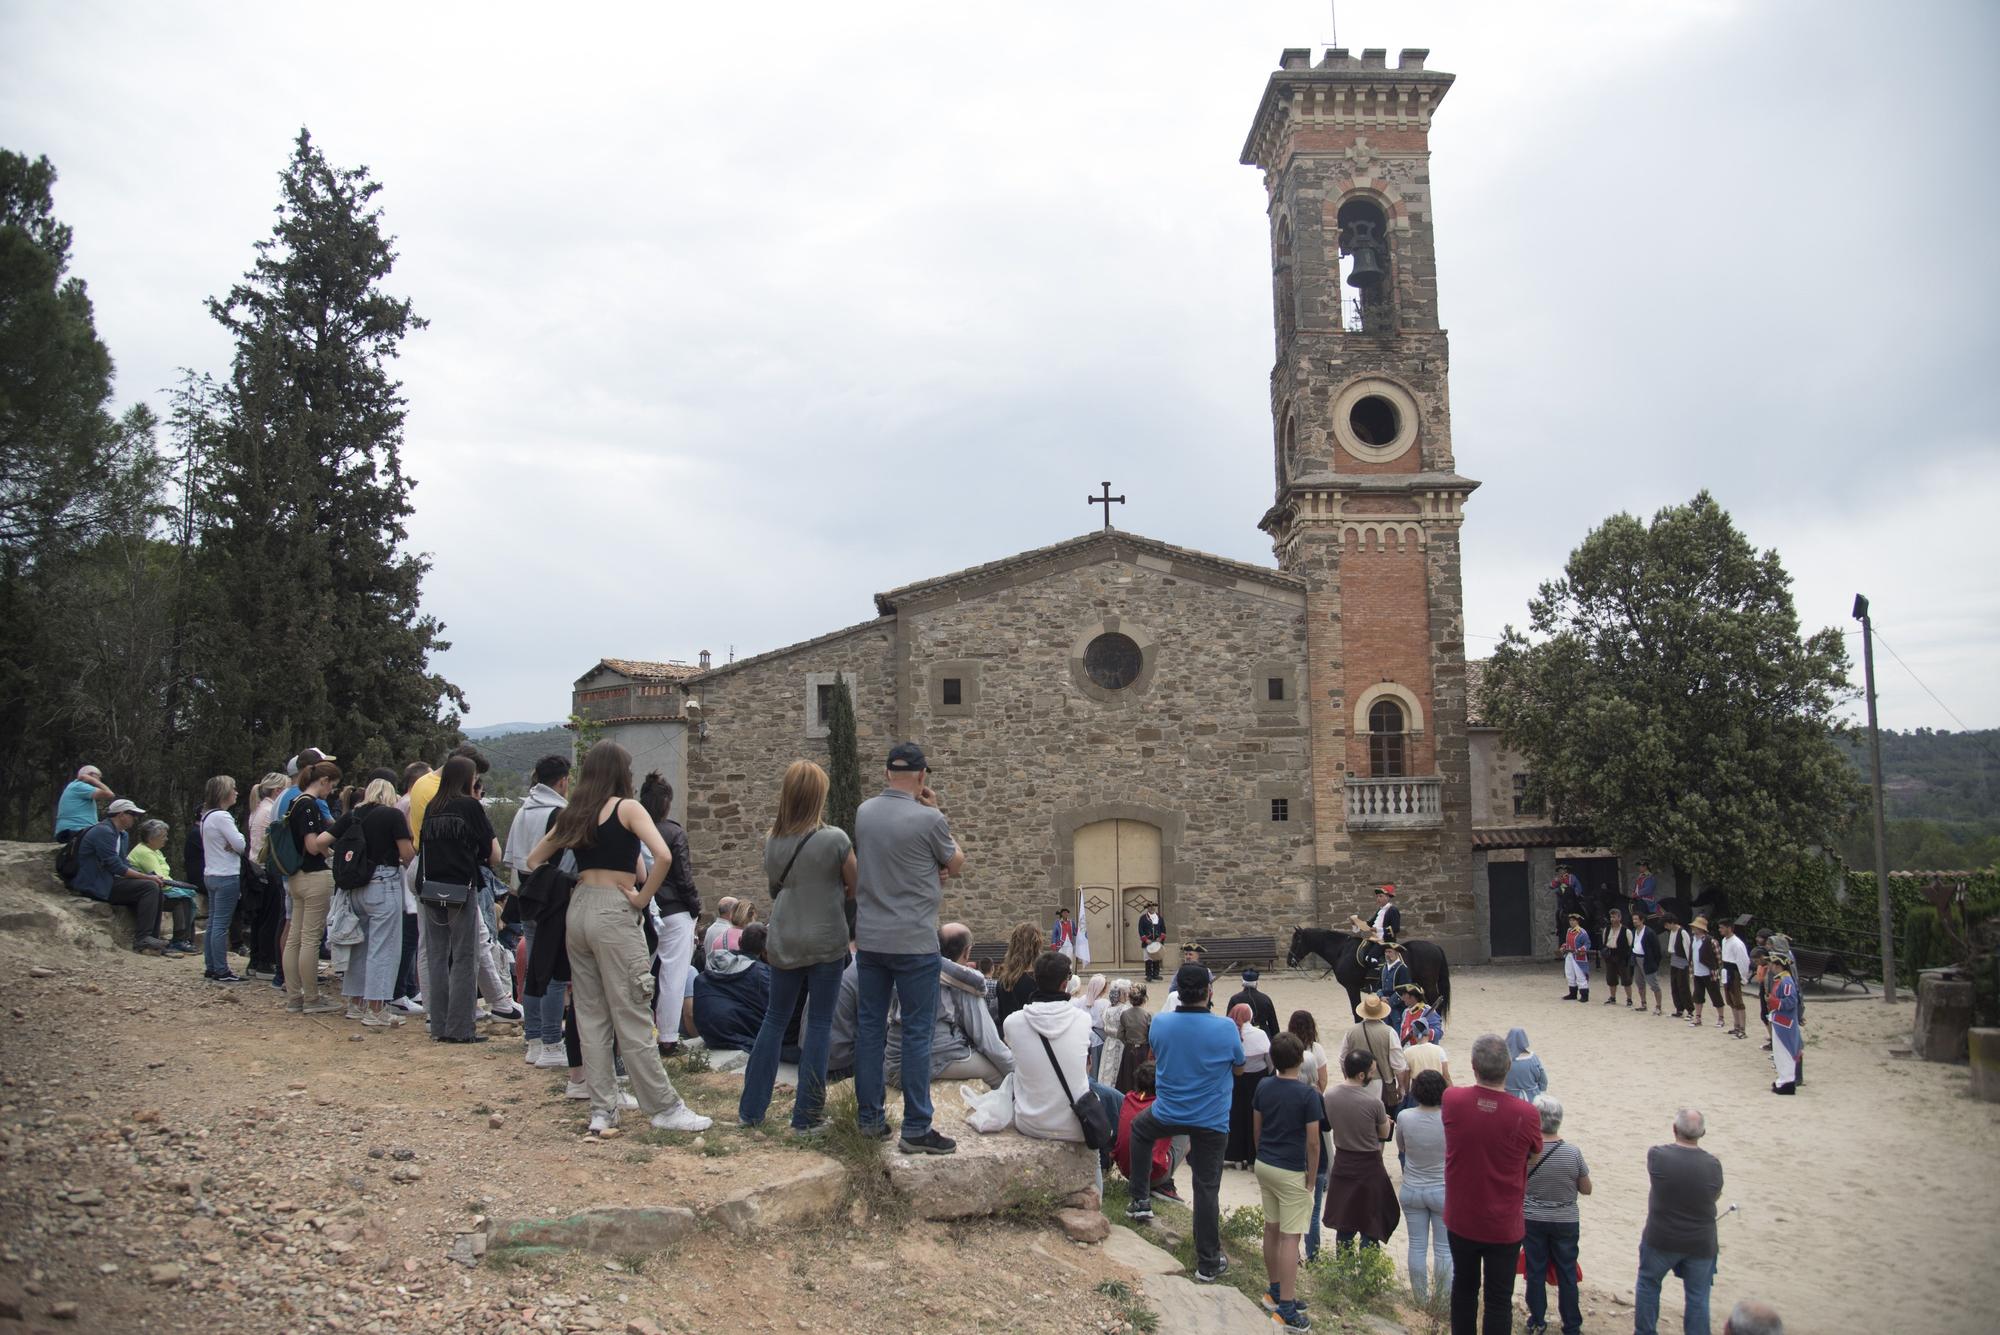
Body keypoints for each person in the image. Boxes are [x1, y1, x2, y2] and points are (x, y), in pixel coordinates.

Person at [527, 740, 712, 1135]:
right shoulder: (627, 808)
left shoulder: (574, 812)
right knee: (632, 1012)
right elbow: (662, 855)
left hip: (578, 911)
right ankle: (664, 1107)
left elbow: (533, 859)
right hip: (615, 909)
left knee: (590, 1015)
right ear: (619, 772)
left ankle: (602, 1110)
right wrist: (643, 899)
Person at [853, 742, 964, 1155]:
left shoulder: (863, 814)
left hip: (871, 939)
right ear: (921, 778)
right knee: (918, 1032)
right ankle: (916, 1127)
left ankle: (869, 1119)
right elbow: (956, 863)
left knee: (870, 1028)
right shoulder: (930, 818)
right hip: (915, 941)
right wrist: (935, 815)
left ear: (886, 774)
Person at [740, 759, 856, 1131]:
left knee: (774, 1020)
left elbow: (775, 883)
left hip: (785, 937)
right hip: (826, 938)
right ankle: (806, 1116)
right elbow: (857, 885)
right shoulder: (836, 839)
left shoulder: (773, 840)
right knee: (820, 1024)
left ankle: (751, 1111)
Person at [1124, 962, 1242, 1286]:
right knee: (1206, 1187)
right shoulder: (1227, 1028)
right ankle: (1207, 1262)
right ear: (1210, 992)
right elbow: (1240, 1068)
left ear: (1177, 992)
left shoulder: (1160, 1023)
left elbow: (1156, 1056)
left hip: (1170, 1112)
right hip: (1212, 1119)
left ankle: (1140, 1200)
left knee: (1140, 1129)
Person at [1442, 1033, 1543, 1335]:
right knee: (1499, 1298)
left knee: (1464, 1288)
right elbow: (1535, 1155)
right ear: (1508, 1067)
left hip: (1462, 1216)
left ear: (1473, 1065)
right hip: (1503, 1221)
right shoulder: (1526, 1114)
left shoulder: (1453, 1100)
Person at [416, 757, 500, 1041]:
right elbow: (492, 851)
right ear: (468, 778)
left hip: (430, 889)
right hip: (460, 889)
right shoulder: (469, 805)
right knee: (465, 958)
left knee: (437, 957)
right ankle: (461, 1028)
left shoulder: (432, 806)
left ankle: (438, 1025)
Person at [331, 778, 415, 1027]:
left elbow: (324, 841)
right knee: (384, 947)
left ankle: (355, 1003)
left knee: (359, 945)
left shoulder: (353, 815)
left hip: (355, 886)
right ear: (390, 795)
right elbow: (407, 854)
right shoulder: (393, 816)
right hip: (383, 882)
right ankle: (377, 1008)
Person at [1254, 1031, 1323, 1331]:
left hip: (1265, 1162)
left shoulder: (1264, 1085)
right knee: (1291, 1237)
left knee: (1272, 1226)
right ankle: (1286, 1309)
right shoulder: (1308, 1095)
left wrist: (1261, 1153)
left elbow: (1257, 1126)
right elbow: (1313, 1142)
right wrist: (1312, 1174)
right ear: (1300, 1059)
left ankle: (1276, 1290)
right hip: (1291, 1168)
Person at [1634, 1108, 1724, 1335]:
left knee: (1648, 1283)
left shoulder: (1658, 1155)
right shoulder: (1712, 1165)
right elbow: (1714, 1195)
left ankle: (1644, 1332)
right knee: (1698, 1297)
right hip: (1700, 1241)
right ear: (1702, 1133)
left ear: (1674, 1129)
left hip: (1661, 1237)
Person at [506, 755, 571, 1067]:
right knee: (554, 973)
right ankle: (550, 1041)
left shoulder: (523, 810)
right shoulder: (559, 812)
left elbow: (513, 858)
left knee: (533, 968)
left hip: (526, 894)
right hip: (551, 897)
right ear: (561, 780)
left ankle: (532, 1037)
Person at [637, 771, 702, 1059]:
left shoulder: (632, 830)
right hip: (674, 912)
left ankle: (635, 1035)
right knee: (673, 977)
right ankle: (667, 1038)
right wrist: (696, 907)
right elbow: (684, 878)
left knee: (637, 975)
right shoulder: (673, 832)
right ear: (665, 803)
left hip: (642, 910)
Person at [1003, 950, 1099, 1142]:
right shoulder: (1083, 1020)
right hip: (1073, 1125)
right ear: (1065, 984)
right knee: (1109, 1097)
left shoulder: (1012, 1023)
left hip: (1030, 1122)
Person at [909, 923, 1014, 1086]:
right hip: (933, 1056)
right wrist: (1017, 1072)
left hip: (899, 1055)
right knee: (1001, 1078)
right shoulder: (966, 984)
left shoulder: (913, 971)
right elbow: (988, 1043)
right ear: (967, 952)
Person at [1520, 1094, 1591, 1335]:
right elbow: (1586, 1188)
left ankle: (1537, 1320)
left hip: (1532, 1217)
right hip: (1565, 1218)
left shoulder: (1528, 1153)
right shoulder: (1572, 1152)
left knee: (1535, 1271)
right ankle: (1572, 1325)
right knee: (1567, 1272)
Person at [1322, 1046, 1399, 1255]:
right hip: (1368, 1164)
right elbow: (1384, 1133)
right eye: (1372, 1071)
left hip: (1343, 1160)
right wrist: (1386, 1122)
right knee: (1370, 1224)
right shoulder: (1373, 1103)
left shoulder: (1330, 1096)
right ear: (1361, 1074)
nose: (1373, 1075)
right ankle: (1366, 1275)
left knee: (1344, 1223)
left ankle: (1343, 1274)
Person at [71, 798, 171, 954]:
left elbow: (124, 862)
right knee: (150, 887)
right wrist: (146, 878)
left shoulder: (121, 835)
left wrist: (148, 876)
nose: (135, 818)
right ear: (121, 814)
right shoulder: (103, 831)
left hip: (111, 881)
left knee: (154, 886)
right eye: (133, 814)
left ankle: (152, 938)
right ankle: (143, 938)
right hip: (97, 883)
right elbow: (115, 866)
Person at [283, 761, 343, 1013]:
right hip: (314, 875)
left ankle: (295, 995)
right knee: (310, 939)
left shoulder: (294, 802)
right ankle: (311, 998)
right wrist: (331, 847)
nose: (331, 791)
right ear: (324, 781)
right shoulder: (309, 805)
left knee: (294, 939)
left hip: (295, 876)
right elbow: (312, 844)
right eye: (333, 786)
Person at [1397, 1069, 1452, 1303]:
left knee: (1417, 1246)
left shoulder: (1405, 1117)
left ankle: (1420, 1299)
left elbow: (1401, 1148)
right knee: (1443, 1250)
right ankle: (1442, 1300)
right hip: (1441, 1188)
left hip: (1412, 1186)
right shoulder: (1449, 1119)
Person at [196, 776, 249, 981]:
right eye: (233, 789)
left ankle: (211, 965)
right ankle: (221, 969)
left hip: (211, 873)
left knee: (213, 923)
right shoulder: (223, 817)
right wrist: (238, 840)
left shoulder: (207, 816)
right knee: (220, 924)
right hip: (227, 874)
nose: (236, 792)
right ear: (224, 792)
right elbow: (240, 845)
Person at [693, 925, 773, 1053]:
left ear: (740, 941)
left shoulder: (713, 964)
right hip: (733, 1033)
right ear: (765, 950)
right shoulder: (760, 974)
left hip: (709, 1032)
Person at [128, 820, 198, 955]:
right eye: (163, 836)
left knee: (187, 897)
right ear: (151, 838)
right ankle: (179, 940)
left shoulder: (155, 851)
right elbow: (159, 878)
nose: (166, 839)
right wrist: (180, 889)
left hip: (158, 888)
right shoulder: (145, 852)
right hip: (149, 890)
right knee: (181, 899)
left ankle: (185, 940)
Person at [1113, 1060, 1179, 1200]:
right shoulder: (1163, 1105)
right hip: (1152, 1175)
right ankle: (1164, 1184)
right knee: (1186, 1132)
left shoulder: (1128, 1098)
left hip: (1126, 1171)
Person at [1338, 994, 1408, 1113]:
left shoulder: (1351, 1032)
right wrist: (1401, 1087)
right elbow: (1398, 1065)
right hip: (1383, 1083)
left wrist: (1348, 1078)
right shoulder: (1389, 1032)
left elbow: (1342, 1059)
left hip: (1357, 1082)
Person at [1226, 1001, 1272, 1168]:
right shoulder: (1259, 1034)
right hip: (1257, 1079)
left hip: (1235, 1079)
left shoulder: (1229, 1033)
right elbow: (1270, 1061)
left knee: (1236, 1115)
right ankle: (1253, 1157)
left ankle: (1236, 1156)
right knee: (1255, 1118)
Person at [994, 921, 1042, 1026]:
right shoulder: (1041, 979)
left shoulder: (1004, 980)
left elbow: (1002, 1017)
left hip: (1011, 1038)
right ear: (1037, 946)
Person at [1767, 951, 1802, 1095]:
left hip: (1785, 1022)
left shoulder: (1786, 982)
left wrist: (1776, 1003)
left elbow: (1791, 1001)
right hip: (1780, 1021)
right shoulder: (1782, 980)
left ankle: (1787, 1081)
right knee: (1780, 1053)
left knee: (1785, 1052)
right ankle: (1783, 1079)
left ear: (1778, 966)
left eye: (1772, 964)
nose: (1770, 966)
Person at [54, 764, 115, 841]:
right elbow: (110, 794)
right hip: (73, 831)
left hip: (74, 831)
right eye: (99, 777)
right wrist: (92, 780)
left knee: (115, 832)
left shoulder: (77, 787)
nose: (99, 780)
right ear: (90, 775)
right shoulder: (79, 786)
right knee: (108, 835)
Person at [1114, 984, 1153, 1091]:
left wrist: (1128, 1042)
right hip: (1143, 1049)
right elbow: (1150, 1035)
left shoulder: (1125, 1014)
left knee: (1127, 1077)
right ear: (1144, 999)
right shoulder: (1147, 1015)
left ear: (1130, 999)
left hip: (1129, 1049)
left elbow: (1120, 1035)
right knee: (1144, 1076)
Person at [1719, 918, 1752, 1039]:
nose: (1720, 930)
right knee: (1730, 1000)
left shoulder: (1737, 943)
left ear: (1729, 928)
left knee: (1738, 1001)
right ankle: (1736, 1025)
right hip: (1726, 970)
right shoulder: (1724, 941)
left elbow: (1743, 961)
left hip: (1734, 972)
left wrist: (1743, 977)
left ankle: (1742, 1029)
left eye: (1722, 927)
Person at [1690, 917, 1724, 1029]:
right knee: (1697, 996)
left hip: (1709, 973)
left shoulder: (1711, 941)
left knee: (1716, 995)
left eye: (1695, 927)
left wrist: (1715, 969)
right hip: (1697, 973)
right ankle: (1698, 1017)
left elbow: (1719, 958)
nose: (1693, 928)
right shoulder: (1693, 940)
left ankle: (1721, 1017)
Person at [1227, 968, 1280, 1040]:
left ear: (1243, 982)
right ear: (1256, 983)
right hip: (1263, 1034)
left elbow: (1229, 1020)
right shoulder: (1265, 999)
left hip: (1241, 1035)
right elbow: (1273, 1024)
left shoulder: (1235, 999)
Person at [1100, 978, 1132, 1088]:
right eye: (1126, 993)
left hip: (1109, 1041)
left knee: (1107, 1066)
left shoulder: (1107, 1008)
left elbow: (1104, 1024)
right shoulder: (1125, 1009)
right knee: (1116, 1067)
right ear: (1122, 994)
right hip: (1120, 1042)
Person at [1403, 1020, 1452, 1093]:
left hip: (1418, 1089)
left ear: (1414, 1035)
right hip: (1437, 1089)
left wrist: (1405, 1093)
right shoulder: (1439, 1050)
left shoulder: (1407, 1052)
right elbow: (1446, 1076)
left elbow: (1406, 1080)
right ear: (1428, 1033)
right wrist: (1452, 1092)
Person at [1601, 907, 1635, 1007]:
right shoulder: (1606, 930)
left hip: (1622, 957)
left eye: (1614, 917)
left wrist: (1626, 957)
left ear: (1619, 918)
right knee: (1611, 978)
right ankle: (1612, 997)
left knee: (1626, 979)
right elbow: (1604, 942)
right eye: (1611, 917)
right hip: (1610, 955)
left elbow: (1630, 945)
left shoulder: (1626, 931)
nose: (1612, 919)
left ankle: (1629, 999)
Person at [1632, 911, 1665, 1016]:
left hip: (1647, 960)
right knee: (1639, 982)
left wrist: (1655, 964)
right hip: (1637, 958)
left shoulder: (1649, 932)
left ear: (1642, 920)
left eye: (1636, 919)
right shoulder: (1634, 931)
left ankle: (1658, 1006)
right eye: (1633, 919)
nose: (1634, 921)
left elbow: (1657, 950)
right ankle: (1643, 1003)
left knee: (1653, 984)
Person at [1503, 1027, 1546, 1103]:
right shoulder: (1533, 1058)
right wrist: (1541, 1090)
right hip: (1532, 1098)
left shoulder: (1502, 1059)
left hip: (1508, 1098)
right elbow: (1542, 1079)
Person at [1376, 942, 1412, 1031]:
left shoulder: (1402, 968)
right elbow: (1378, 986)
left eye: (1390, 952)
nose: (1387, 954)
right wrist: (1381, 997)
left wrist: (1390, 1002)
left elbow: (1404, 989)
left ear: (1396, 953)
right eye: (1386, 952)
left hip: (1398, 1007)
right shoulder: (1383, 968)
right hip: (1384, 1006)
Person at [1664, 912, 1694, 1019]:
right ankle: (1679, 1008)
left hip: (1682, 961)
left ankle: (1690, 1010)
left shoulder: (1682, 932)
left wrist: (1689, 963)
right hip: (1674, 960)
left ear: (1672, 923)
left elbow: (1687, 948)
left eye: (1667, 924)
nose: (1666, 927)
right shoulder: (1672, 932)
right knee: (1675, 986)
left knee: (1683, 986)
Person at [1559, 911, 1591, 1003]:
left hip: (1578, 957)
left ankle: (1584, 995)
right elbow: (1568, 943)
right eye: (1570, 920)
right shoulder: (1569, 931)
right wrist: (1564, 947)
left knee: (1580, 975)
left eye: (1573, 920)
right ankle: (1572, 993)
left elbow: (1587, 944)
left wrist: (1581, 950)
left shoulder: (1582, 932)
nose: (1571, 922)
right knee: (1570, 974)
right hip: (1569, 955)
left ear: (1577, 922)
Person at [1137, 903, 1166, 981]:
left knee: (1156, 958)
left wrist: (1160, 938)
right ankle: (1149, 975)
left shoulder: (1159, 918)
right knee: (1148, 958)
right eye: (1150, 907)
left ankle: (1156, 974)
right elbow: (1140, 930)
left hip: (1157, 941)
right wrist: (1145, 939)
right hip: (1148, 942)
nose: (1152, 908)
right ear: (1147, 908)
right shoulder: (1143, 918)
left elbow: (1163, 929)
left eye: (1153, 907)